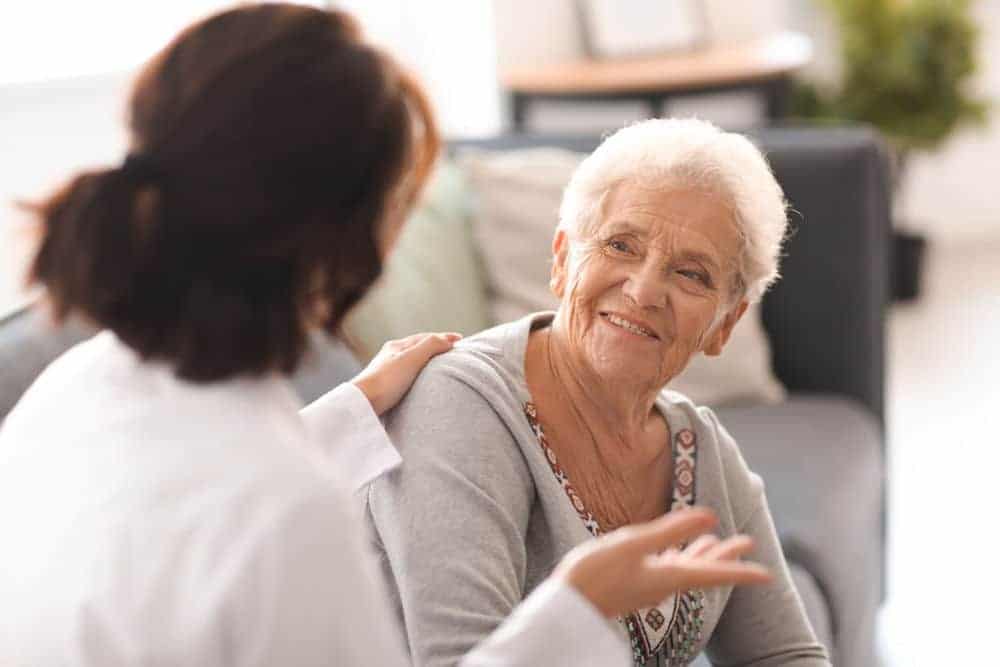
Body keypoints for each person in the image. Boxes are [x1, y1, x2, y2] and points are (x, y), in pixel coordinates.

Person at [0, 6, 772, 667]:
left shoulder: (75, 389)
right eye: (403, 198)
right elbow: (242, 515)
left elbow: (186, 511)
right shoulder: (286, 514)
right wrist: (575, 607)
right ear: (352, 241)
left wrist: (348, 413)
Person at [363, 118, 832, 666]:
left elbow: (787, 656)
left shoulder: (702, 452)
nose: (644, 289)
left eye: (692, 274)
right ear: (562, 261)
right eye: (621, 245)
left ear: (725, 324)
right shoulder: (460, 404)